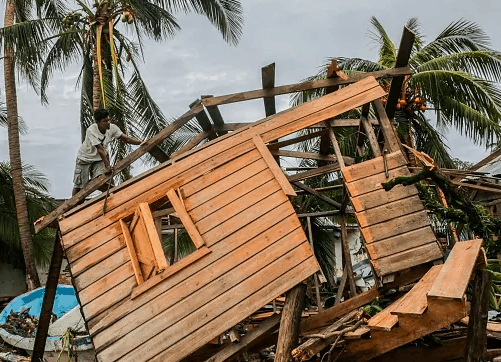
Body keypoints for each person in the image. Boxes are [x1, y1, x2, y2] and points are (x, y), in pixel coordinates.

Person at [72, 108, 142, 196]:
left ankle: (112, 197)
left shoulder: (112, 128)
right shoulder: (91, 130)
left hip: (99, 160)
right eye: (105, 121)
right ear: (98, 122)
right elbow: (100, 149)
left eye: (109, 120)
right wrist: (108, 166)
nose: (108, 122)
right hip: (84, 159)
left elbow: (126, 138)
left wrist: (140, 142)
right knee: (79, 186)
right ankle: (72, 207)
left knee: (102, 179)